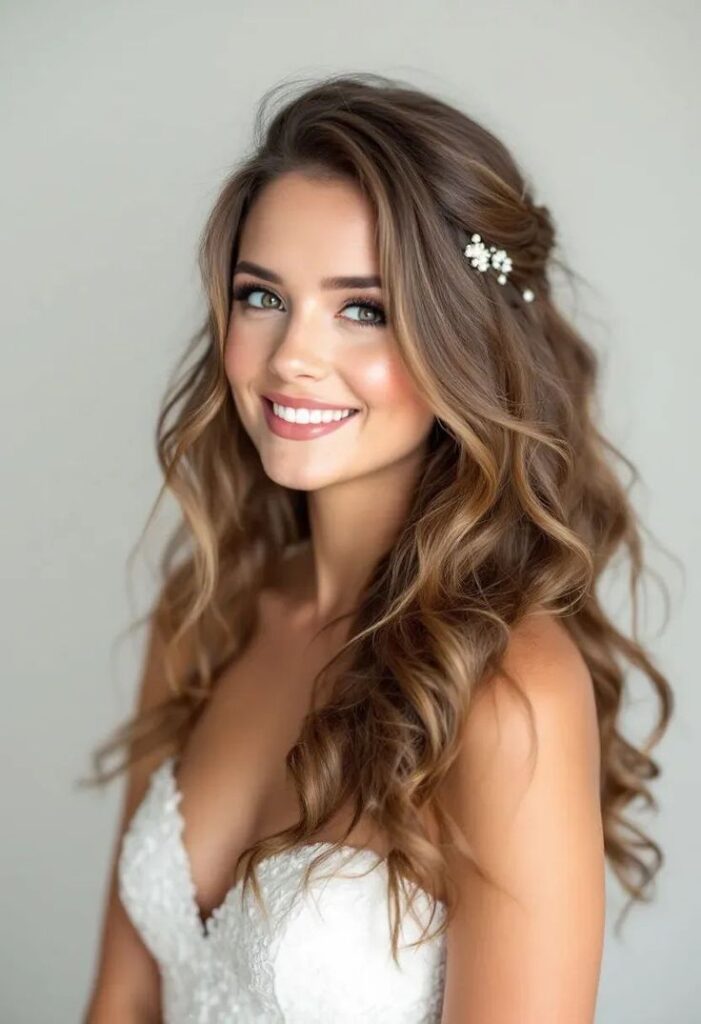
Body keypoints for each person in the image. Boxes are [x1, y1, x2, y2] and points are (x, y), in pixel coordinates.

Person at [82, 72, 673, 1023]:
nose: (289, 359)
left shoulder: (505, 686)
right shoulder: (205, 615)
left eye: (364, 308)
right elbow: (121, 999)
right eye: (260, 296)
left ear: (464, 340)